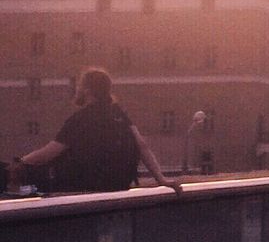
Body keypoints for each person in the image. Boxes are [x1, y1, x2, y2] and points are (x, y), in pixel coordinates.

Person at [15, 67, 181, 195]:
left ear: (87, 91)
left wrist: (20, 162)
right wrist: (161, 179)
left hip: (82, 188)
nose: (77, 90)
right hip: (118, 186)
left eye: (80, 86)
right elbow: (142, 145)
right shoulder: (118, 113)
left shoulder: (81, 118)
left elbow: (48, 154)